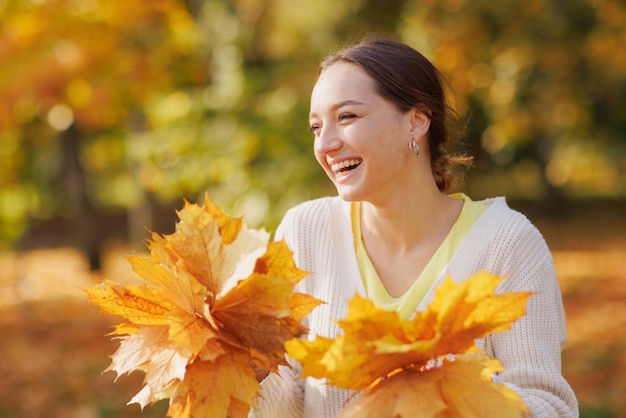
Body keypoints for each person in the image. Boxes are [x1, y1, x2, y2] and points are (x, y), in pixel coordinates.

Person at [250, 35, 578, 417]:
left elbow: (550, 406)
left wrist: (451, 399)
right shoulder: (305, 231)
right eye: (316, 127)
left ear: (417, 121)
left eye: (347, 117)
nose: (325, 144)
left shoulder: (507, 243)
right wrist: (245, 376)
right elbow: (290, 393)